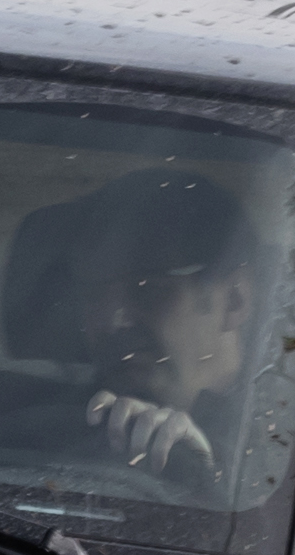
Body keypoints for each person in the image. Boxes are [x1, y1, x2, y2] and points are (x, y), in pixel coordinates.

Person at [26, 167, 266, 489]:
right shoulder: (41, 426)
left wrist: (208, 479)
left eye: (147, 288)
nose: (113, 320)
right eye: (93, 294)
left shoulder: (288, 447)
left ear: (235, 299)